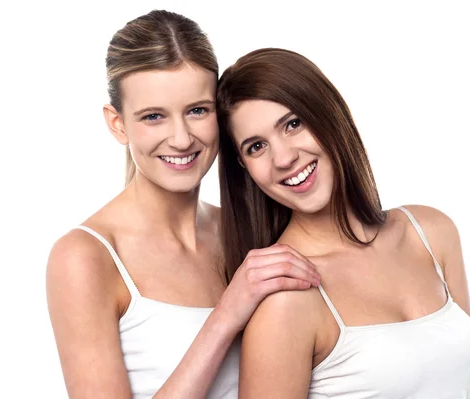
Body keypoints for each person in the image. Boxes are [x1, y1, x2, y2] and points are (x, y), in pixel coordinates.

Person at [46, 12, 320, 399]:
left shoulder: (247, 231)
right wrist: (226, 315)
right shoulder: (85, 258)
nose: (180, 138)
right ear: (117, 123)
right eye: (153, 117)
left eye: (197, 110)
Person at [216, 48, 470, 398]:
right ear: (244, 167)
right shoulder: (286, 298)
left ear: (327, 112)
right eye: (256, 147)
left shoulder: (431, 233)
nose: (283, 158)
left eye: (293, 124)